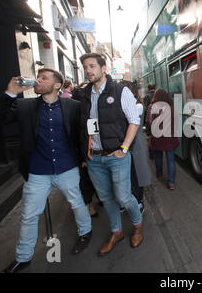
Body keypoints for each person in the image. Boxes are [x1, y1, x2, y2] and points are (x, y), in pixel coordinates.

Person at [0, 69, 92, 273]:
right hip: (37, 171)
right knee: (28, 215)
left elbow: (84, 132)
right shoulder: (24, 106)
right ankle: (23, 257)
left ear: (57, 85)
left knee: (77, 203)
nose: (38, 80)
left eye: (44, 78)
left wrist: (87, 157)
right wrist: (9, 94)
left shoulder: (73, 106)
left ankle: (85, 233)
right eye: (38, 76)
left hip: (67, 167)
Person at [79, 53, 143, 255]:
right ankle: (117, 232)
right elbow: (81, 127)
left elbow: (134, 120)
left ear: (103, 68)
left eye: (92, 66)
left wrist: (124, 148)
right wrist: (85, 153)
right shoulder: (83, 94)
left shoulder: (119, 90)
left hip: (117, 156)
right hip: (94, 158)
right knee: (106, 199)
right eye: (85, 67)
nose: (88, 71)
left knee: (124, 197)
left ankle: (138, 226)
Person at [72, 81, 100, 218]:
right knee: (85, 181)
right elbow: (77, 136)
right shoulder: (76, 113)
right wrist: (82, 157)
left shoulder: (93, 112)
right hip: (83, 153)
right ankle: (89, 205)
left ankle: (99, 198)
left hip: (93, 151)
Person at [124, 81, 152, 214]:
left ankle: (139, 200)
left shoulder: (138, 106)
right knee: (128, 173)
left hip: (136, 143)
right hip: (128, 143)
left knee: (138, 172)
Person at [146, 88, 180, 190]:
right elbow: (177, 121)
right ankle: (171, 183)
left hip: (157, 137)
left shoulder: (151, 107)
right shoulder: (172, 107)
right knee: (171, 160)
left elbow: (148, 122)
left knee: (158, 157)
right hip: (170, 136)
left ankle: (159, 173)